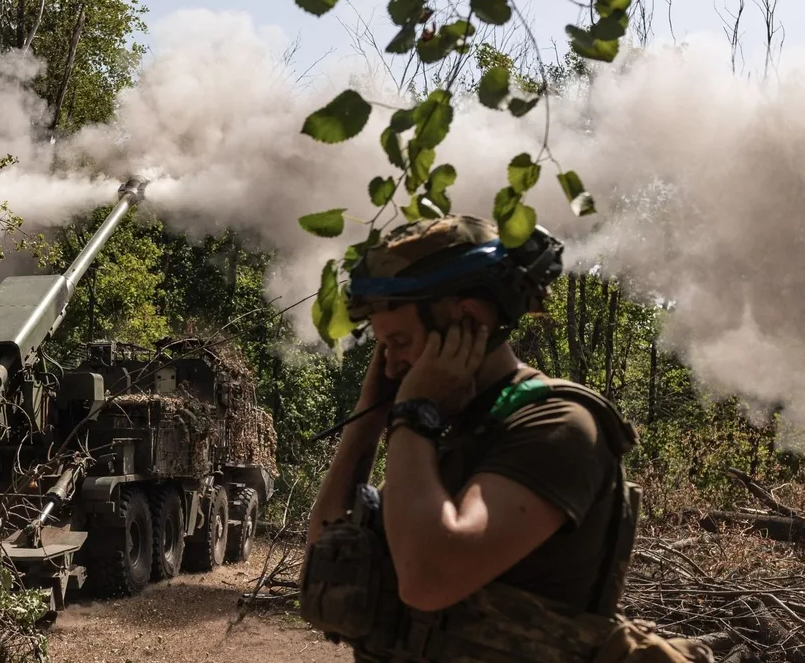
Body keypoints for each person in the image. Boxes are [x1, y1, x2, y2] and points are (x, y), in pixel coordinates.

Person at [298, 215, 696, 663]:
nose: (390, 365)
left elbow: (428, 579)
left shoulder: (558, 424)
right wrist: (370, 414)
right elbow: (326, 560)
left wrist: (413, 414)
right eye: (383, 347)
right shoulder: (445, 436)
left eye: (400, 341)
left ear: (466, 318)